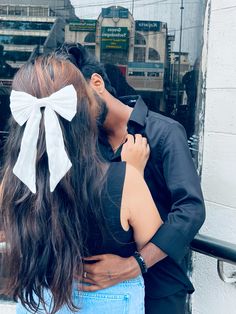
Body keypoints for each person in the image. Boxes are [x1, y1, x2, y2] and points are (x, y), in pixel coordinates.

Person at [0, 53, 164, 314]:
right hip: (109, 301)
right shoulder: (126, 179)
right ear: (85, 110)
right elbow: (154, 241)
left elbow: (7, 234)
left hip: (38, 302)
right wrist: (132, 173)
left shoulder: (12, 182)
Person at [56, 43, 206, 314]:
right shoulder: (82, 144)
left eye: (75, 101)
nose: (73, 113)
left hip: (159, 285)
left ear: (97, 83)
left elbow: (191, 210)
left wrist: (134, 265)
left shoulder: (164, 133)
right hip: (100, 292)